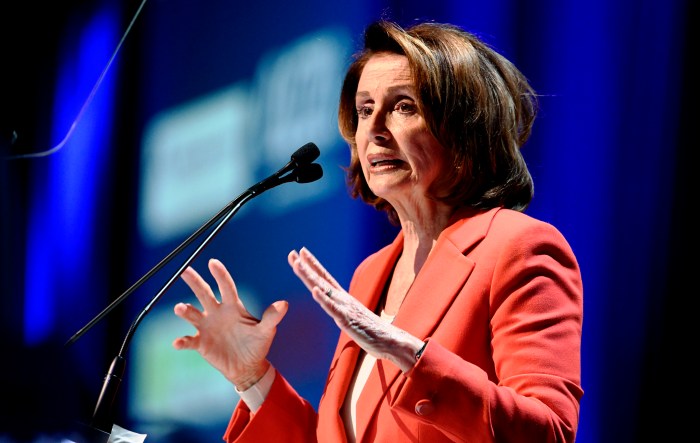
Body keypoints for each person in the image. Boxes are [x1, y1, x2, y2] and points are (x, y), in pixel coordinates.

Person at [172, 19, 584, 443]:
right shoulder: (373, 273)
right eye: (365, 109)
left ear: (465, 128)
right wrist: (252, 378)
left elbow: (548, 432)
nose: (373, 129)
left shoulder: (518, 248)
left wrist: (407, 352)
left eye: (404, 106)